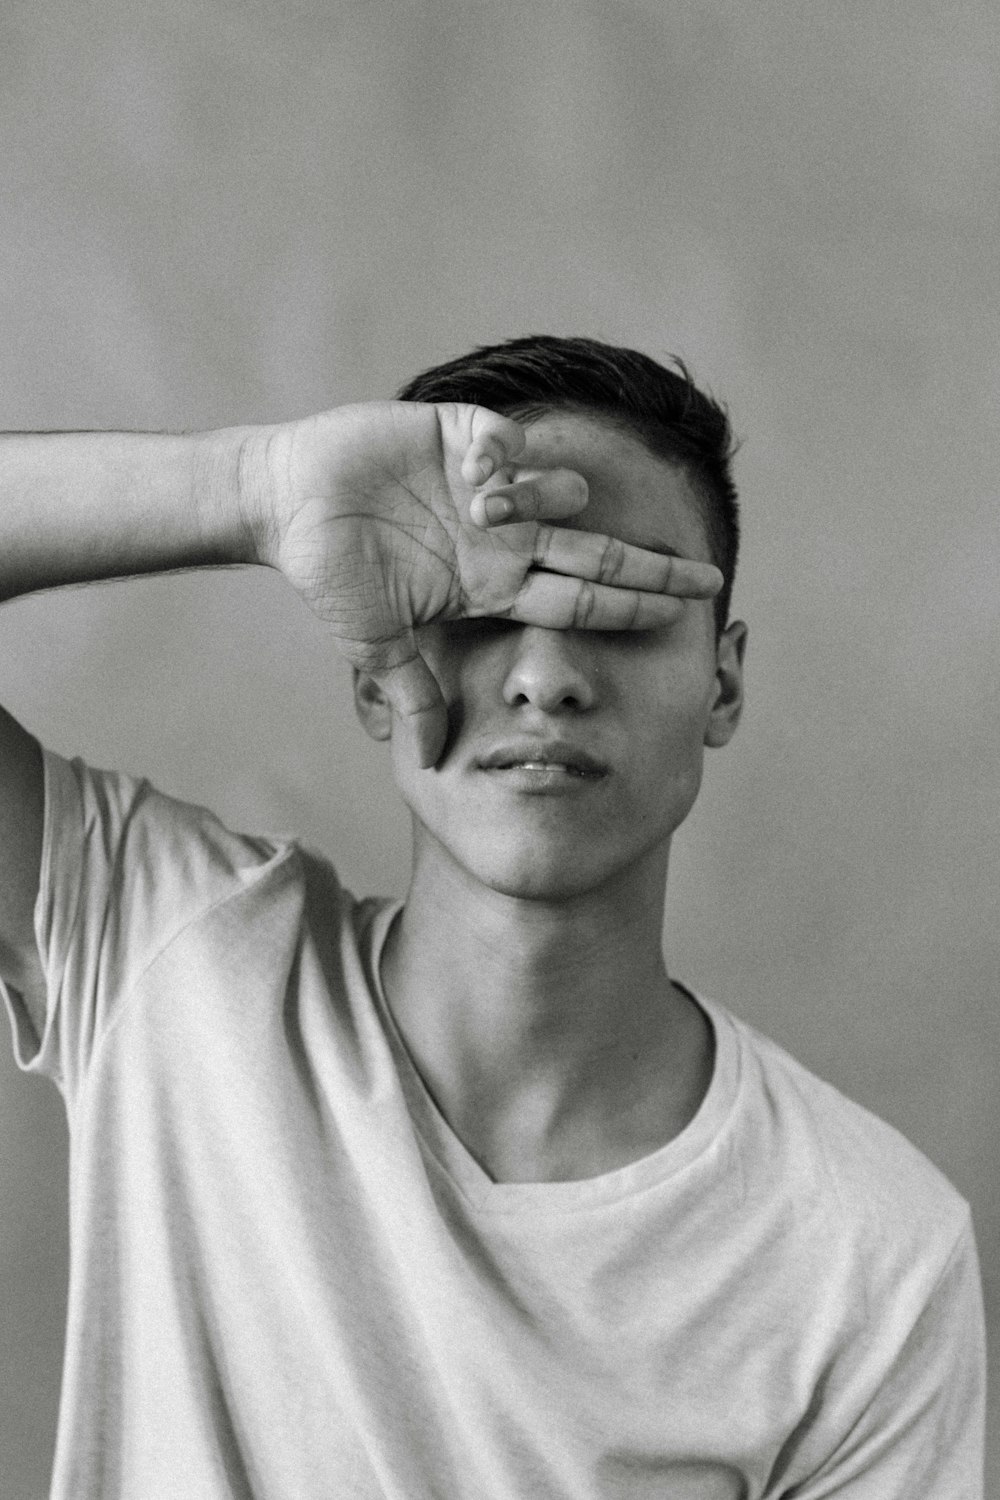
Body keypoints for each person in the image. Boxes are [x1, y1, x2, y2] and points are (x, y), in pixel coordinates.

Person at [0, 336, 985, 1498]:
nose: (545, 676)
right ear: (373, 672)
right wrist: (253, 491)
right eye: (475, 601)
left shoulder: (872, 1253)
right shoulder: (166, 951)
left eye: (619, 605)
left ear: (721, 683)